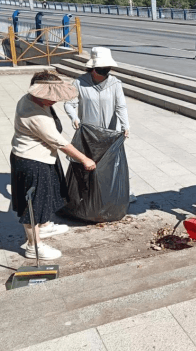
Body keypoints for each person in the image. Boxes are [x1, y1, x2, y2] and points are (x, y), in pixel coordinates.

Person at [11, 71, 97, 260]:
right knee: (32, 205)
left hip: (44, 156)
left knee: (47, 194)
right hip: (31, 161)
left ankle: (44, 226)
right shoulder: (33, 113)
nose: (54, 101)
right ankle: (34, 246)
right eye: (50, 97)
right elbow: (59, 141)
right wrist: (84, 159)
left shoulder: (35, 100)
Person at [64, 47, 136, 202]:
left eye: (106, 70)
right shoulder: (79, 83)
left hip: (109, 133)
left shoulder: (115, 83)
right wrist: (74, 117)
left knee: (112, 163)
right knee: (89, 163)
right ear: (92, 68)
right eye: (100, 70)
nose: (104, 73)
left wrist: (125, 126)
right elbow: (69, 104)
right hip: (89, 133)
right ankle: (88, 195)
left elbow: (121, 106)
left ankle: (117, 193)